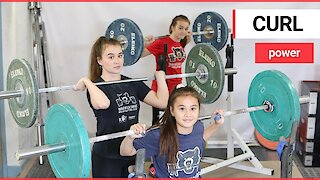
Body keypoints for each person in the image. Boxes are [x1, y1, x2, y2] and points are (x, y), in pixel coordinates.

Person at [74, 37, 169, 178]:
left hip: (130, 151)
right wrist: (86, 81)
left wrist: (161, 77)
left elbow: (161, 102)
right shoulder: (95, 88)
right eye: (110, 57)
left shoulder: (132, 83)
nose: (117, 61)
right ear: (99, 60)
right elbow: (102, 104)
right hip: (107, 155)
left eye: (120, 55)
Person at [120, 85, 224, 178]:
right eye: (182, 109)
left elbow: (200, 139)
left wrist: (216, 125)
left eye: (193, 109)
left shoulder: (198, 126)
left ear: (199, 109)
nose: (188, 114)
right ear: (172, 111)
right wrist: (130, 137)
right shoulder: (158, 135)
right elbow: (125, 152)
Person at [141, 14, 192, 124]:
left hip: (178, 87)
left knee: (175, 122)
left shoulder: (182, 42)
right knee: (159, 124)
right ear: (172, 27)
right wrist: (143, 43)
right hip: (162, 89)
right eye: (180, 28)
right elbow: (139, 55)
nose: (183, 31)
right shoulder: (161, 42)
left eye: (186, 29)